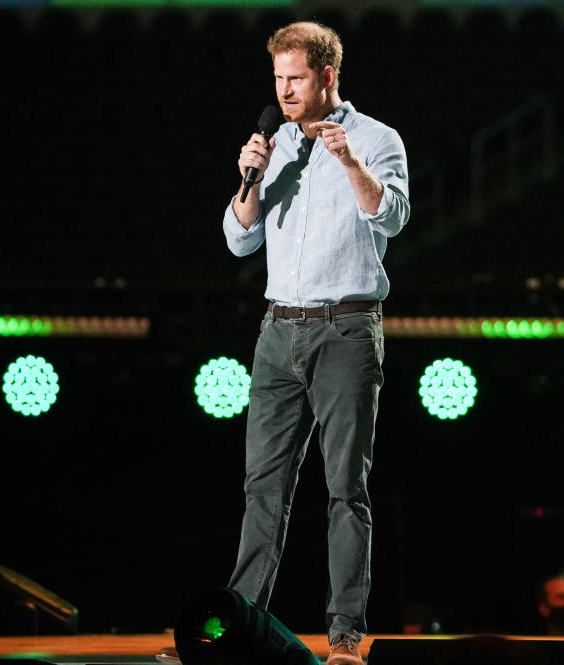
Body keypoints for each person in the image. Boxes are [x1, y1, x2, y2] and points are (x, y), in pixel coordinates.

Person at [157, 19, 409, 665]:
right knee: (261, 489)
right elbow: (238, 238)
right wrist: (250, 178)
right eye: (278, 79)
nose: (286, 89)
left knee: (345, 489)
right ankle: (233, 634)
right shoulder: (272, 144)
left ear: (327, 75)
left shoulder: (377, 139)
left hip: (346, 328)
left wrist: (349, 160)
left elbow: (392, 216)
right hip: (277, 331)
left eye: (296, 78)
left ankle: (346, 637)